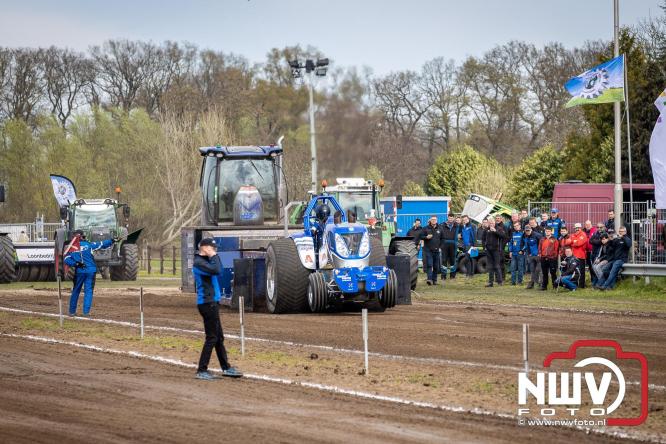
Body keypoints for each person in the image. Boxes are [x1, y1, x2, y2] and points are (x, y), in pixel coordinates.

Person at [193, 238, 242, 380]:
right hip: (207, 304)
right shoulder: (199, 263)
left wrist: (213, 255)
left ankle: (226, 368)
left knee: (218, 337)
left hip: (212, 303)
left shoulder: (206, 261)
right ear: (205, 248)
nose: (215, 250)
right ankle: (201, 370)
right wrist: (213, 255)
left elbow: (218, 270)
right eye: (213, 248)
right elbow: (217, 269)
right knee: (212, 337)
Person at [64, 230, 114, 317]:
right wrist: (112, 240)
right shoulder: (89, 245)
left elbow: (66, 259)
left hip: (79, 271)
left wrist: (76, 264)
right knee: (88, 291)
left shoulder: (71, 248)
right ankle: (86, 313)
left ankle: (72, 312)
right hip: (91, 271)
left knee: (76, 291)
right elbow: (102, 244)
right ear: (83, 237)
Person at [597, 226, 632, 291]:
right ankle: (600, 285)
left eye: (622, 231)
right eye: (620, 231)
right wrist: (610, 239)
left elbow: (629, 244)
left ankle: (605, 286)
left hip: (621, 259)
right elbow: (610, 246)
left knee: (612, 272)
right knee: (605, 270)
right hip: (614, 259)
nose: (621, 233)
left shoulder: (627, 238)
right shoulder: (617, 239)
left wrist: (623, 237)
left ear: (625, 232)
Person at [482, 215, 506, 287]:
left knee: (497, 265)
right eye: (490, 223)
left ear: (494, 223)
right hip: (488, 250)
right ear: (488, 223)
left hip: (496, 250)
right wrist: (484, 247)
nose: (491, 224)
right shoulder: (486, 230)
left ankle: (500, 281)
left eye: (492, 223)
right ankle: (490, 282)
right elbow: (483, 239)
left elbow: (503, 236)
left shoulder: (499, 229)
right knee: (490, 266)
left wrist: (495, 231)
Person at [423, 215, 443, 285]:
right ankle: (429, 279)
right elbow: (421, 236)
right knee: (429, 264)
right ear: (430, 220)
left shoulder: (440, 228)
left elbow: (443, 239)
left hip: (437, 250)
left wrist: (440, 247)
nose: (433, 220)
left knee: (436, 266)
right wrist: (426, 237)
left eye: (435, 219)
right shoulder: (426, 228)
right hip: (428, 250)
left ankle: (435, 280)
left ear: (437, 220)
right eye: (432, 219)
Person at [538, 227, 559, 291]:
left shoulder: (554, 239)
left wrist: (554, 257)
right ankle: (544, 286)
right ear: (545, 232)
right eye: (546, 231)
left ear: (551, 232)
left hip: (552, 258)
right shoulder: (542, 239)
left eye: (549, 231)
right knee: (544, 273)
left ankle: (554, 285)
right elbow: (539, 248)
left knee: (553, 273)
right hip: (543, 258)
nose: (547, 232)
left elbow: (556, 249)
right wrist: (540, 255)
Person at [570, 223, 588, 288]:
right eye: (575, 228)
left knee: (581, 271)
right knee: (574, 271)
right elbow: (569, 242)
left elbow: (578, 243)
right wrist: (574, 242)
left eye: (578, 228)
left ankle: (581, 285)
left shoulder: (583, 234)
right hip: (574, 255)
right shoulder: (573, 235)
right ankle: (575, 284)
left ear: (580, 228)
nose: (576, 229)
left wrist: (574, 242)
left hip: (581, 256)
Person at [439, 214, 458, 280]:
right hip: (444, 244)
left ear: (453, 218)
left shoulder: (457, 225)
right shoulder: (442, 225)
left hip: (453, 245)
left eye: (452, 218)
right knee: (444, 260)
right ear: (448, 218)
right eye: (449, 218)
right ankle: (443, 276)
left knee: (453, 260)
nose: (450, 219)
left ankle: (452, 276)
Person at [508, 221, 526, 285]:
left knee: (520, 268)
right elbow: (511, 243)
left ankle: (520, 282)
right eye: (514, 226)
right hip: (513, 254)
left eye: (517, 226)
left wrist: (522, 250)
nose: (516, 227)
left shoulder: (523, 233)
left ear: (520, 226)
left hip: (520, 254)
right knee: (513, 268)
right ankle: (513, 282)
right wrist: (510, 251)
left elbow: (526, 243)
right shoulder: (513, 234)